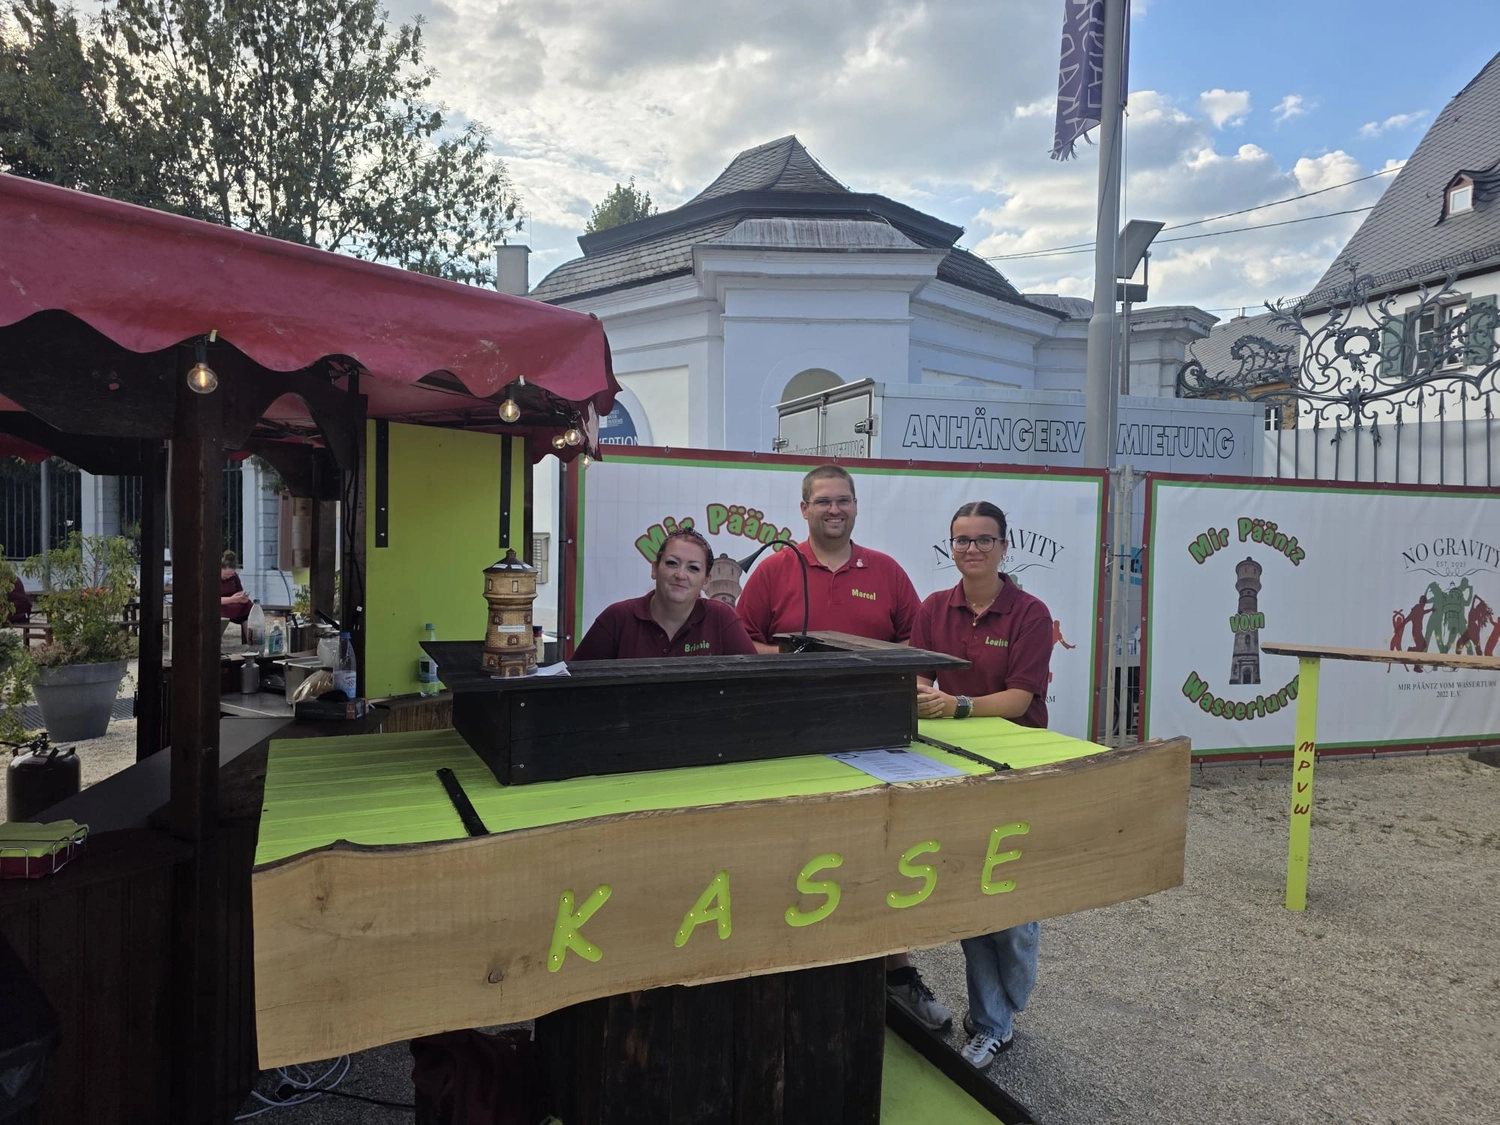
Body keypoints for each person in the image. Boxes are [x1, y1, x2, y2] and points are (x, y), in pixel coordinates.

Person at [735, 465, 951, 1033]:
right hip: (788, 738)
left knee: (884, 847)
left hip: (872, 736)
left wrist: (900, 677)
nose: (835, 510)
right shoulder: (777, 569)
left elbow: (915, 645)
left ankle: (895, 971)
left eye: (845, 501)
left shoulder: (886, 572)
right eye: (824, 501)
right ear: (803, 509)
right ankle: (788, 969)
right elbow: (739, 641)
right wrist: (791, 661)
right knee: (792, 850)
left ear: (857, 507)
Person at [911, 500, 1052, 1071]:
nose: (972, 549)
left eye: (983, 539)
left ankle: (1006, 1005)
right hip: (955, 770)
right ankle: (992, 1022)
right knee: (974, 897)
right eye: (962, 540)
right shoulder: (932, 608)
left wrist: (956, 705)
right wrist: (926, 696)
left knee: (1016, 910)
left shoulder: (1030, 613)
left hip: (1017, 771)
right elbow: (920, 676)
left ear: (1004, 545)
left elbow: (1020, 699)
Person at [573, 527, 756, 660]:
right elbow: (575, 686)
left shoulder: (721, 618)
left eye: (693, 568)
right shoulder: (617, 618)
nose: (680, 574)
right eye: (672, 563)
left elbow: (754, 683)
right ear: (654, 569)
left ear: (706, 581)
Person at [219, 550, 252, 624]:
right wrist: (231, 599)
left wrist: (243, 597)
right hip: (222, 604)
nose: (229, 577)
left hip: (235, 603)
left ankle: (249, 634)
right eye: (226, 574)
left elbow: (239, 590)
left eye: (231, 574)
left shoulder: (234, 577)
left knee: (249, 607)